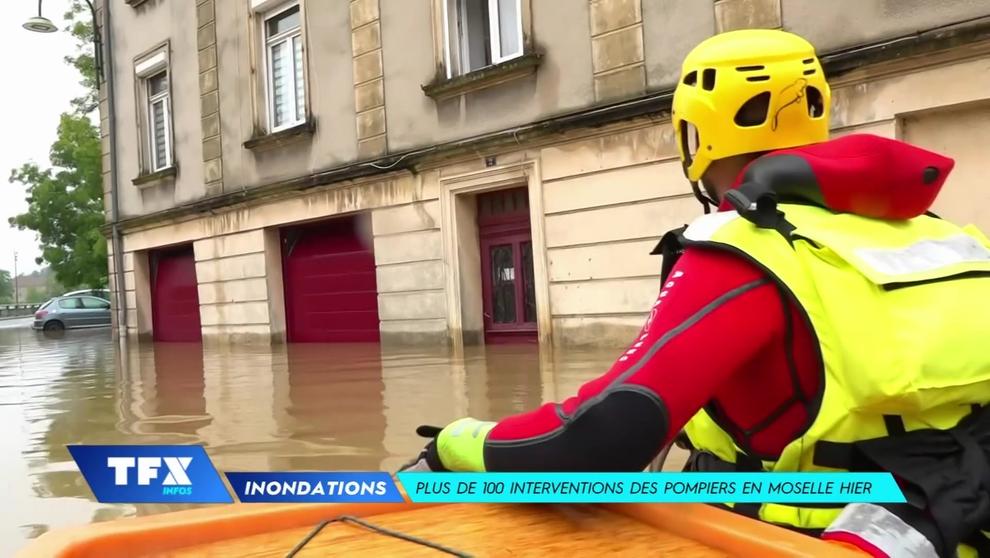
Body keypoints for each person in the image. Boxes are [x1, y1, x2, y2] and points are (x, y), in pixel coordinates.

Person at [401, 29, 990, 558]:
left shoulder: (746, 248)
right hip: (946, 525)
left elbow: (596, 443)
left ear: (695, 136)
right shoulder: (948, 236)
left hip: (797, 536)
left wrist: (457, 445)